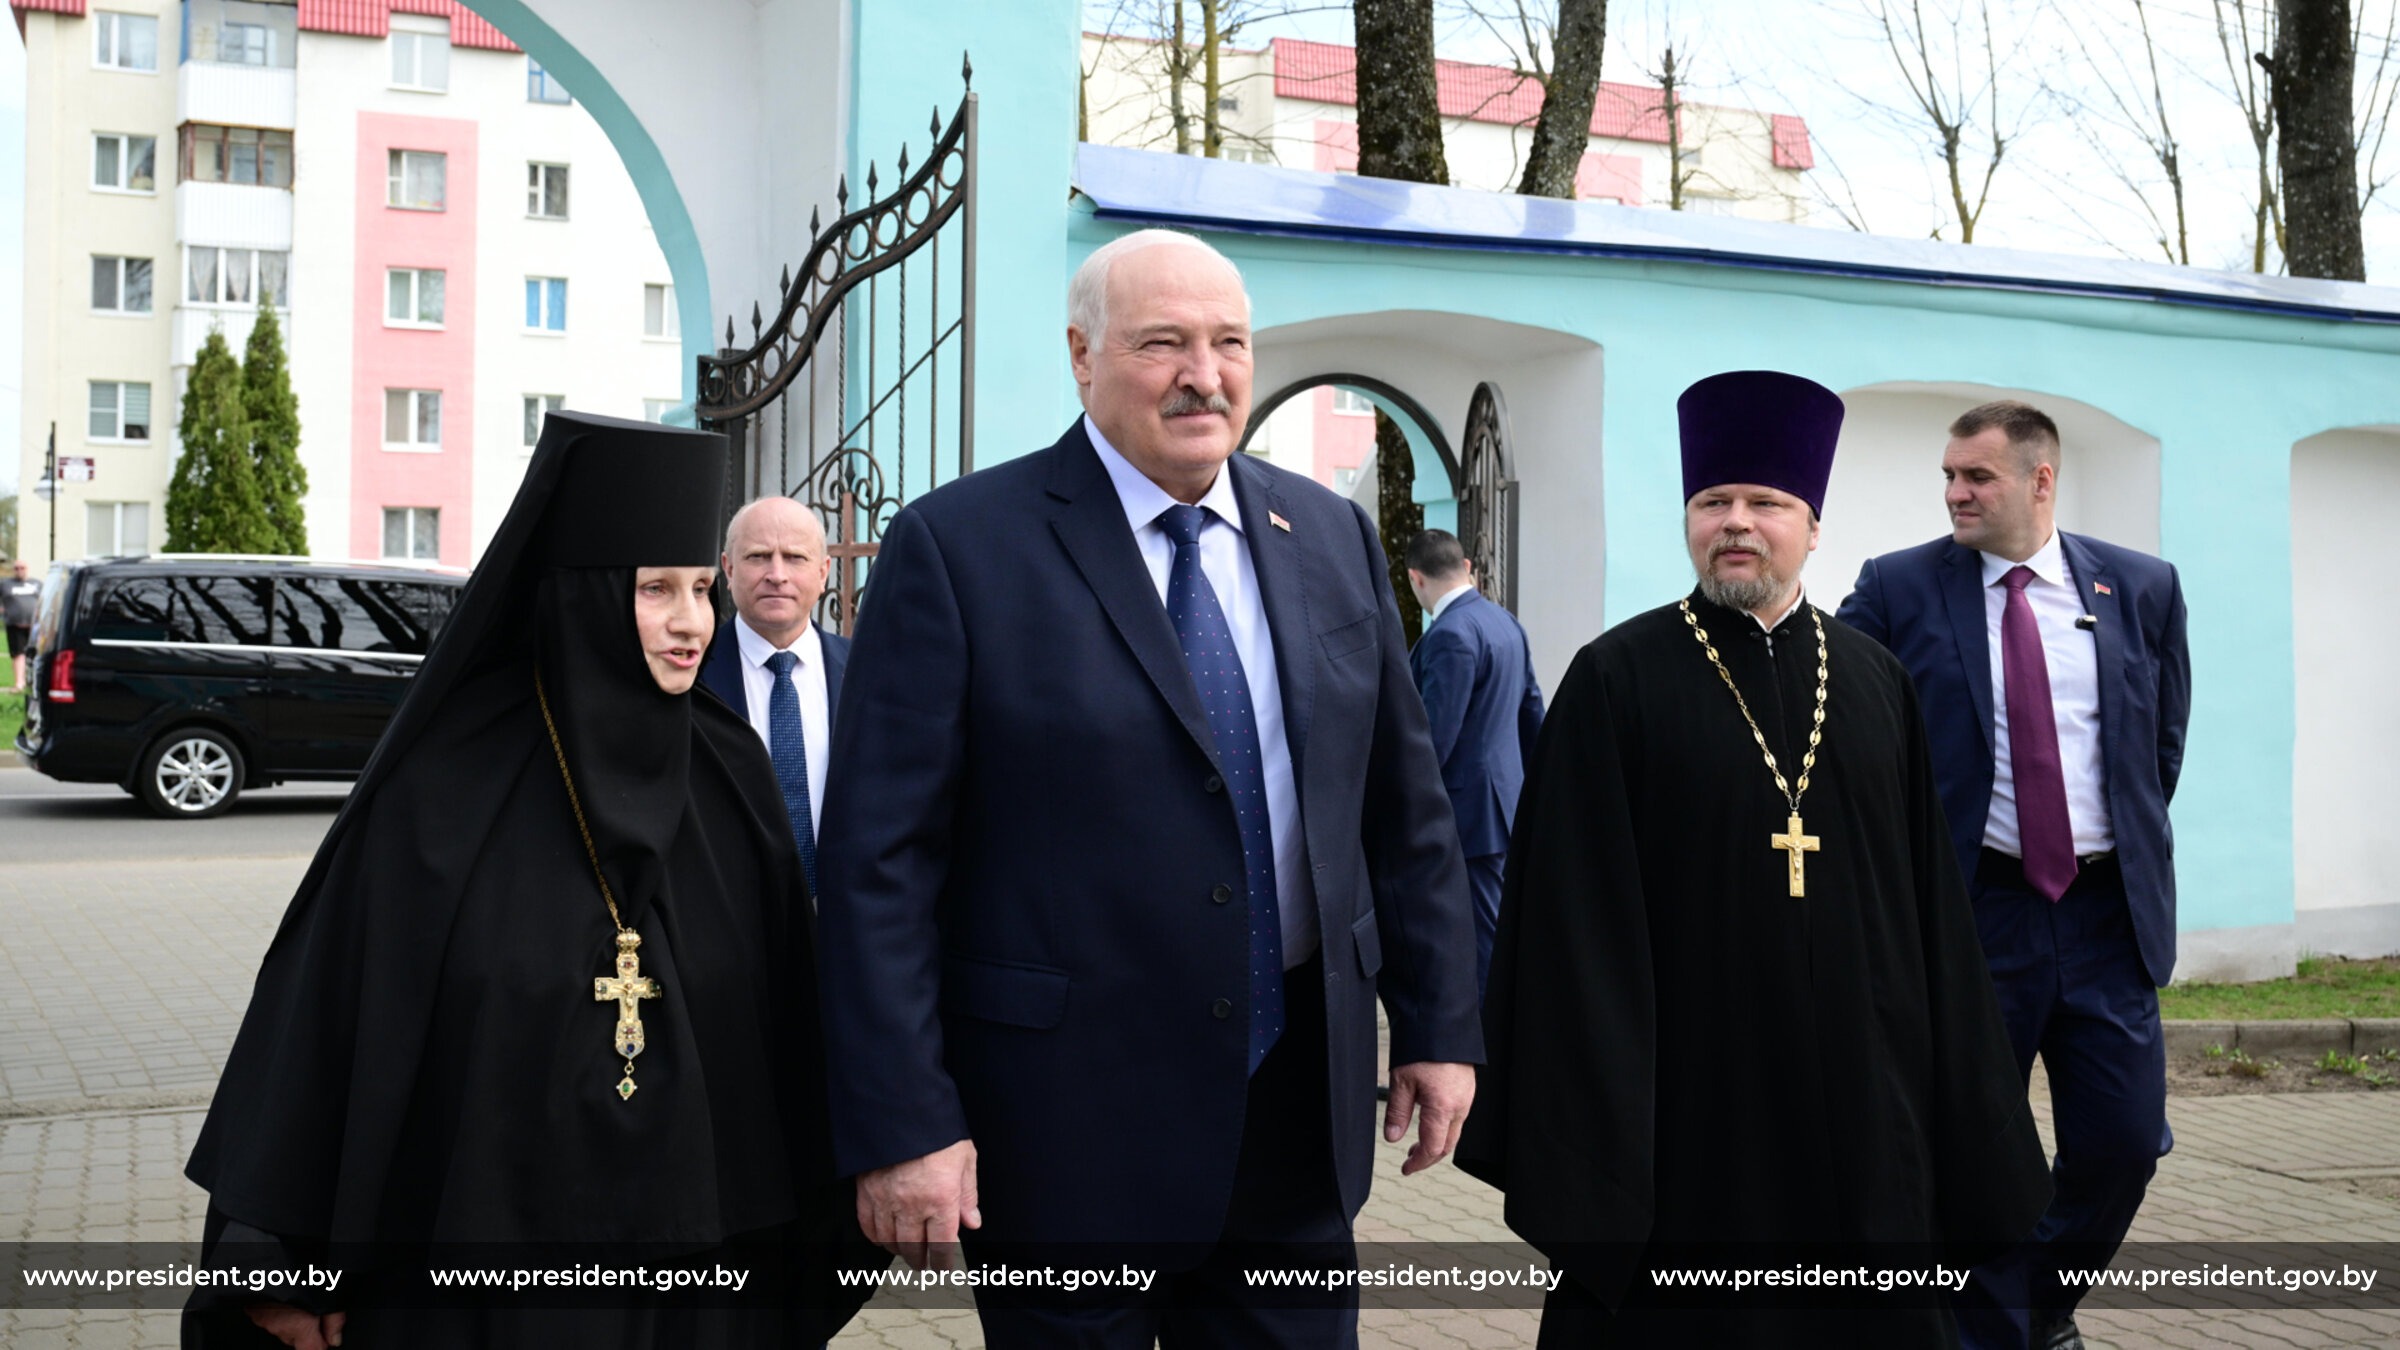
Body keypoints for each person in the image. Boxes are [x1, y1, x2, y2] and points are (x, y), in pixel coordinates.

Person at [816, 228, 1483, 1346]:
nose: (1203, 375)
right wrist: (905, 1121)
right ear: (1082, 355)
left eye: (1230, 343)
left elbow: (1404, 809)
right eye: (1162, 343)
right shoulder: (959, 548)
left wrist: (1439, 1024)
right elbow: (879, 865)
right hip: (1065, 1132)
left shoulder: (1329, 534)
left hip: (1294, 1117)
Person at [182, 411, 870, 1347]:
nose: (691, 622)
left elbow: (788, 1030)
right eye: (655, 589)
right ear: (581, 596)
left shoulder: (730, 774)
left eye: (702, 590)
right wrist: (276, 1265)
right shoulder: (440, 792)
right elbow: (327, 1032)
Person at [1456, 370, 2052, 1347]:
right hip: (1689, 1112)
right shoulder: (1615, 680)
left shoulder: (1875, 681)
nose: (1736, 522)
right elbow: (1571, 928)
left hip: (1863, 1108)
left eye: (1765, 503)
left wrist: (1957, 1107)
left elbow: (1929, 916)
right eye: (1713, 502)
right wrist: (1596, 1139)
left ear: (1812, 527)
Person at [1839, 401, 2189, 1350]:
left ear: (2041, 480)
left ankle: (2037, 1306)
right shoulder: (1898, 588)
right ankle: (1995, 1332)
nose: (1955, 493)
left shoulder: (2140, 587)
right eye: (1949, 476)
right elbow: (1843, 729)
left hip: (2106, 917)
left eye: (1977, 477)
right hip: (1973, 913)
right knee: (1976, 1150)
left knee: (2123, 1144)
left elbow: (2158, 747)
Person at [1402, 528, 1543, 1001]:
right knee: (1498, 930)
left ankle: (1490, 1039)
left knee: (1481, 942)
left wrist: (1406, 811)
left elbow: (1434, 740)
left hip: (1468, 816)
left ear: (1415, 578)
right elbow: (1532, 714)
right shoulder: (1505, 623)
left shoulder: (1450, 634)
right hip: (1505, 806)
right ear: (1465, 567)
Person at [699, 496, 850, 889]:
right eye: (758, 556)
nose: (776, 574)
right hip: (728, 906)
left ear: (823, 572)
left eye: (795, 557)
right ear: (728, 569)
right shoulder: (691, 675)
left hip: (843, 909)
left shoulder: (866, 672)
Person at [7, 560, 43, 692]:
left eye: (22, 568)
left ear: (27, 569)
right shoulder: (5, 584)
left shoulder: (37, 584)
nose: (19, 570)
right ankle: (19, 683)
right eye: (16, 568)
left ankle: (36, 682)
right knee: (18, 654)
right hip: (15, 624)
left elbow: (45, 600)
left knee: (36, 654)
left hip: (35, 626)